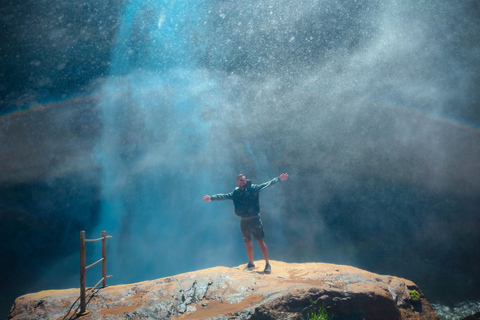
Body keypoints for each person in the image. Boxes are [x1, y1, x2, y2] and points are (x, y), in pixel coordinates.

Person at [203, 173, 289, 273]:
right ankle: (251, 264)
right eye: (240, 180)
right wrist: (211, 198)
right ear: (237, 182)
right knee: (248, 242)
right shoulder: (236, 193)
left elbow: (266, 184)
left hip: (255, 218)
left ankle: (267, 264)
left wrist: (278, 179)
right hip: (244, 220)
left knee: (260, 241)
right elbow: (224, 196)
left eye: (243, 180)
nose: (242, 181)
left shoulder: (253, 188)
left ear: (246, 180)